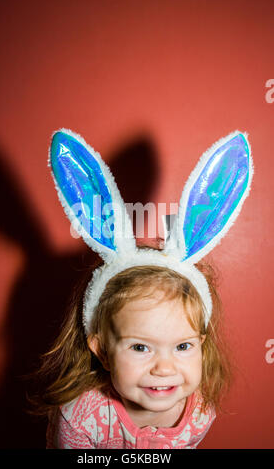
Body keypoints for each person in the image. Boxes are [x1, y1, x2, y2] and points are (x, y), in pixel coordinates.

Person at [32, 128, 253, 449]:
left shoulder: (200, 413)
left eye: (183, 347)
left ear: (202, 343)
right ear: (102, 351)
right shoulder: (80, 418)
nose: (165, 368)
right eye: (140, 347)